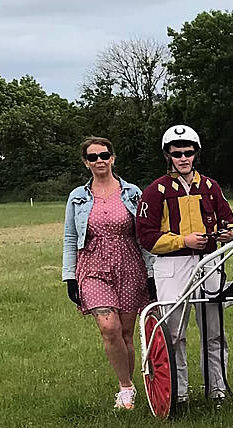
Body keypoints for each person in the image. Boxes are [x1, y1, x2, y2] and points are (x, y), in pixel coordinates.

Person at [136, 125, 233, 406]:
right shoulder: (155, 191)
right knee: (175, 333)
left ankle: (217, 389)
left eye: (188, 153)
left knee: (214, 330)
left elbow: (228, 221)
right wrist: (183, 241)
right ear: (168, 155)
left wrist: (229, 233)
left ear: (196, 154)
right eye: (177, 153)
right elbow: (146, 236)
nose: (183, 158)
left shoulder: (210, 187)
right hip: (172, 265)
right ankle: (177, 393)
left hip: (209, 262)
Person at [62, 136, 155, 410]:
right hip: (92, 265)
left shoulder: (132, 193)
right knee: (108, 327)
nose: (99, 161)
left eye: (104, 155)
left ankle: (130, 385)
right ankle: (124, 387)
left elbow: (144, 234)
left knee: (126, 332)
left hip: (129, 265)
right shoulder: (78, 197)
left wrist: (150, 272)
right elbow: (70, 237)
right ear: (85, 162)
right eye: (93, 157)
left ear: (113, 158)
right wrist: (69, 276)